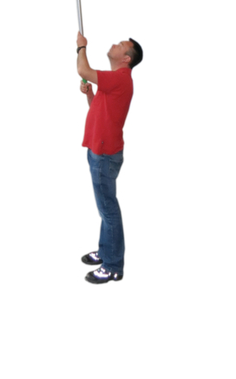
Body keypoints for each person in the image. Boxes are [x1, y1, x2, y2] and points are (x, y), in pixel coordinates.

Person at [76, 32, 143, 284]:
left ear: (126, 58)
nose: (115, 44)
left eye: (121, 45)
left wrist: (81, 48)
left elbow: (82, 69)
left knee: (108, 209)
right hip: (99, 150)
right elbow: (99, 108)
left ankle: (113, 265)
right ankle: (106, 251)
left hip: (104, 155)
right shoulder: (114, 80)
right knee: (105, 208)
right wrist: (89, 94)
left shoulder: (120, 78)